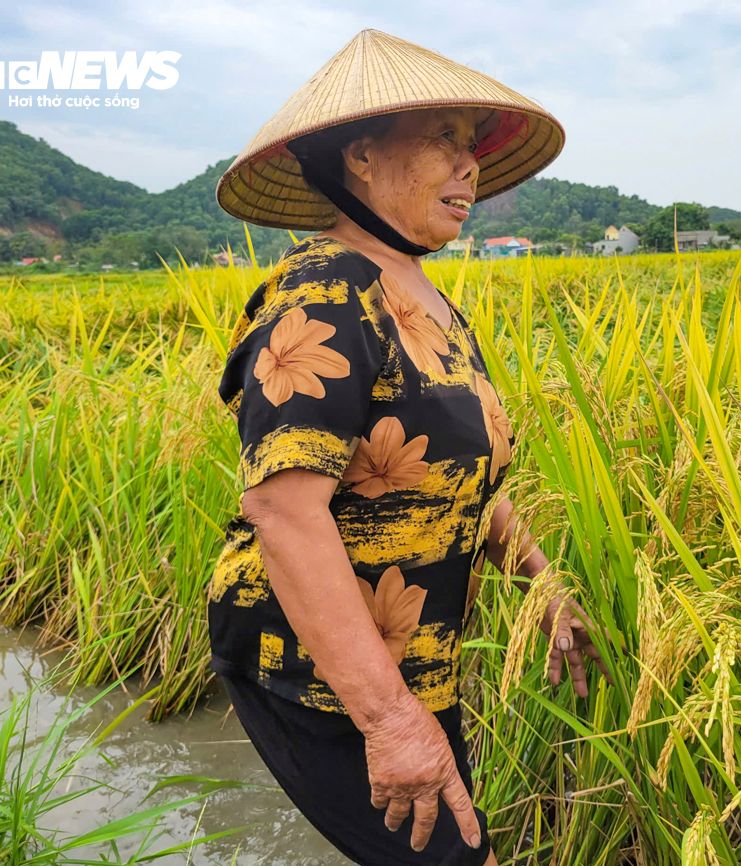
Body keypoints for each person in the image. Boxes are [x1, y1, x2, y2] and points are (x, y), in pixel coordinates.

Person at [208, 28, 609, 866]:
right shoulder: (324, 297)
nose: (470, 168)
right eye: (445, 141)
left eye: (474, 147)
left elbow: (463, 480)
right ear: (359, 154)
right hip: (321, 668)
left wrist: (545, 589)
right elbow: (283, 513)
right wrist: (390, 721)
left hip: (411, 658)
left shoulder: (424, 300)